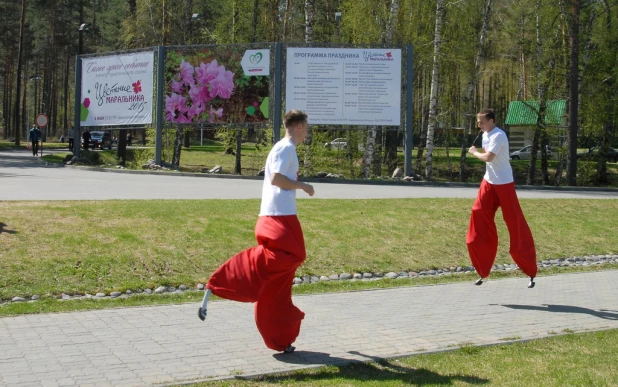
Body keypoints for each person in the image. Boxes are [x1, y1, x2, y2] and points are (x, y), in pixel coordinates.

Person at [198, 110, 314, 353]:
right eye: (307, 127)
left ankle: (280, 337)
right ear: (300, 127)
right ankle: (235, 273)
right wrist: (302, 185)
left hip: (277, 215)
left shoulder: (280, 148)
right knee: (294, 255)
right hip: (277, 217)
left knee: (279, 282)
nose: (308, 132)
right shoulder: (286, 148)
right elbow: (276, 179)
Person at [466, 108, 538, 288]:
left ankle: (529, 269)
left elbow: (489, 158)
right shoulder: (485, 135)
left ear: (491, 121)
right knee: (478, 214)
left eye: (481, 122)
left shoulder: (499, 135)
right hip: (489, 182)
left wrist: (474, 152)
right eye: (478, 122)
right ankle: (482, 269)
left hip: (504, 184)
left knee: (515, 222)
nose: (479, 125)